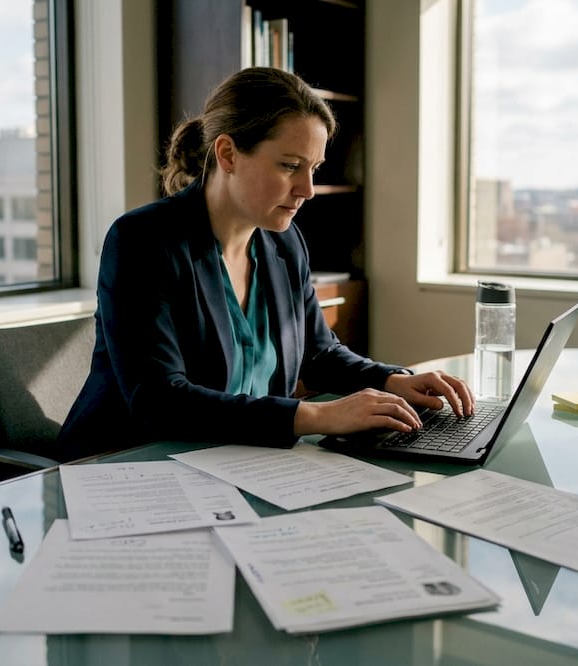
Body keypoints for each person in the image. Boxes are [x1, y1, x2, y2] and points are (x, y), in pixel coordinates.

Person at [56, 67, 474, 462]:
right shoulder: (144, 241)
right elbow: (159, 400)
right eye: (290, 166)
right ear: (228, 154)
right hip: (126, 464)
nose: (307, 189)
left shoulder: (283, 243)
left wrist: (391, 380)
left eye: (313, 169)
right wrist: (314, 416)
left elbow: (319, 353)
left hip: (232, 463)